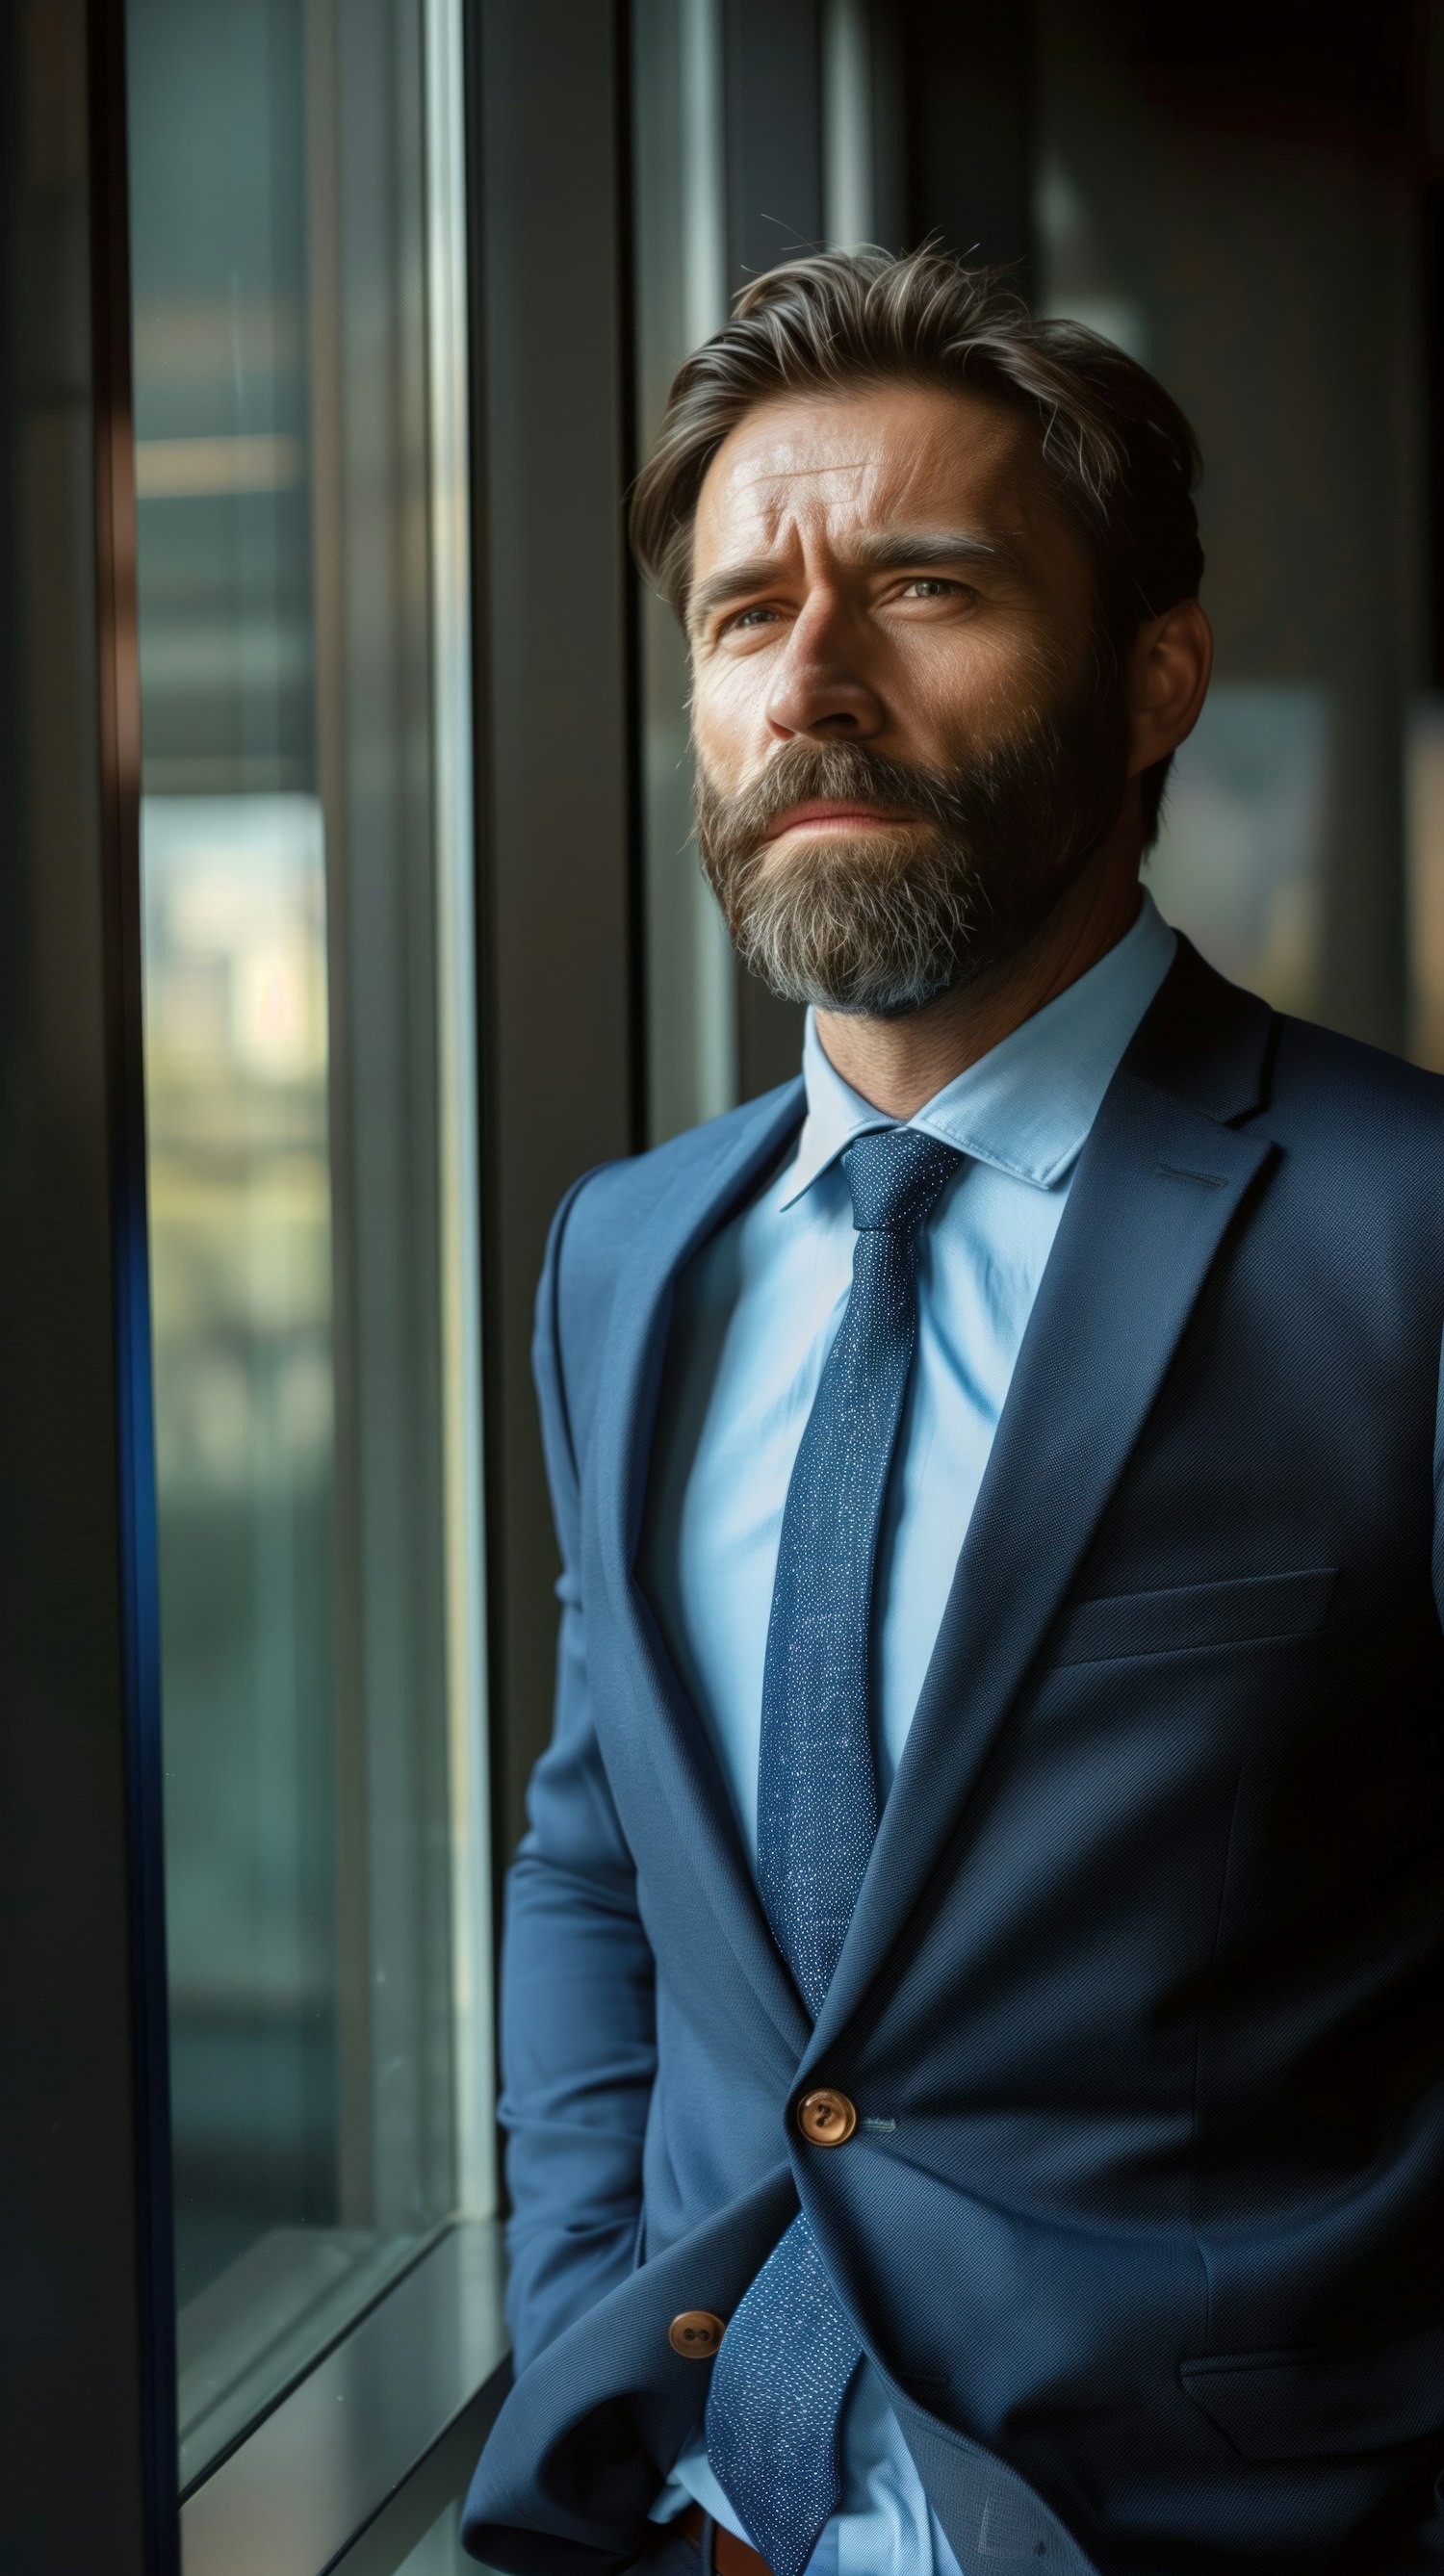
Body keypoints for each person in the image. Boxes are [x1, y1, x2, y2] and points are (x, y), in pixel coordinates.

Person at [463, 247, 1444, 2576]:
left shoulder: (1409, 1235)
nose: (813, 680)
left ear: (1152, 681)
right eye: (740, 619)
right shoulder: (628, 1256)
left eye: (924, 589)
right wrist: (594, 2333)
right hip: (714, 2516)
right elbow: (605, 1867)